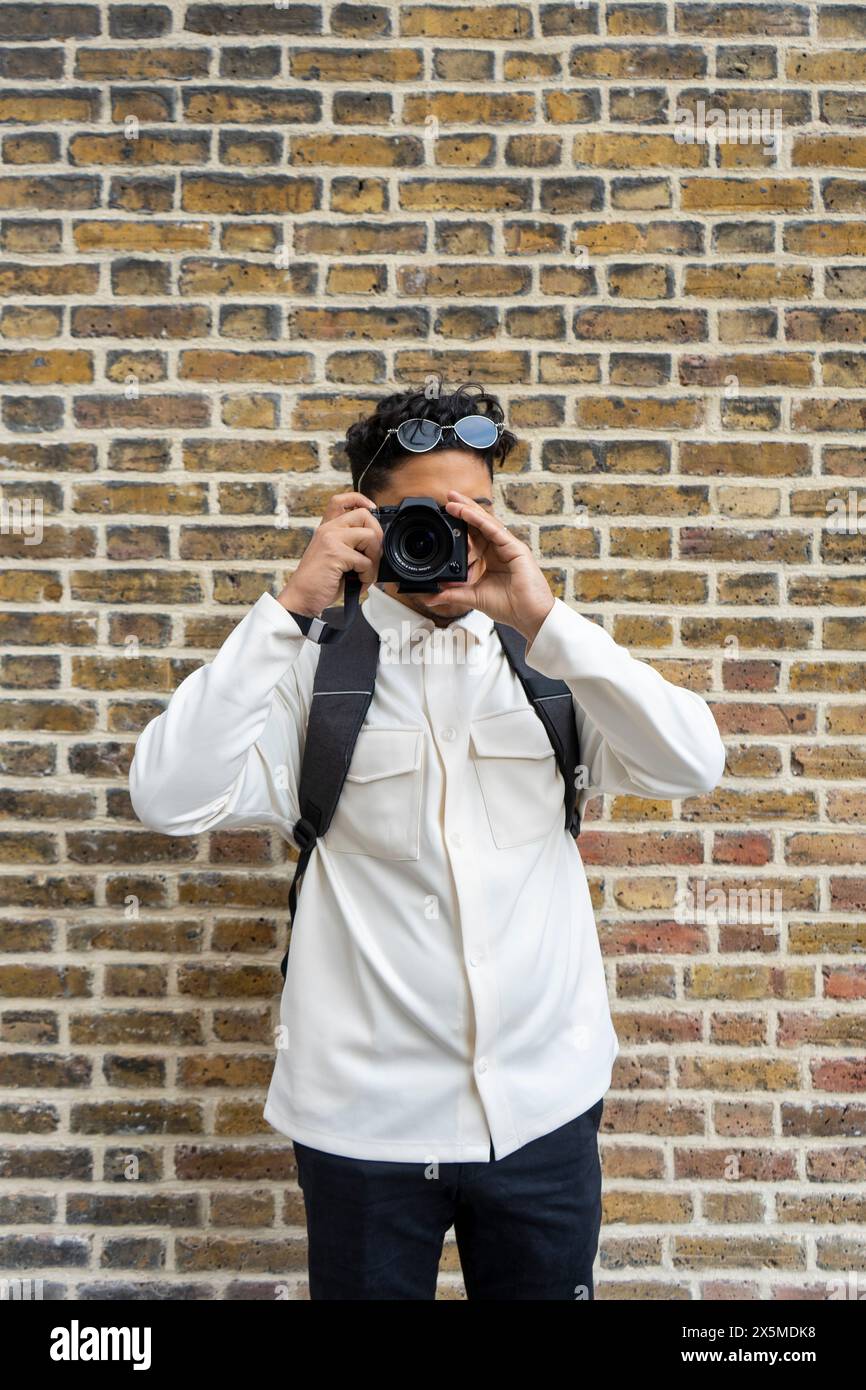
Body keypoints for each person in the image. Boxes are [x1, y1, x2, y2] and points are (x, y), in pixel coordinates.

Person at [129, 382, 726, 1300]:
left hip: (542, 1113)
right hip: (366, 1127)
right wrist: (292, 603)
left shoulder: (552, 670)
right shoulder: (307, 670)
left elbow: (693, 762)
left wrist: (547, 618)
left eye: (474, 512)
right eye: (425, 514)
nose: (452, 536)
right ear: (367, 520)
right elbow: (167, 797)